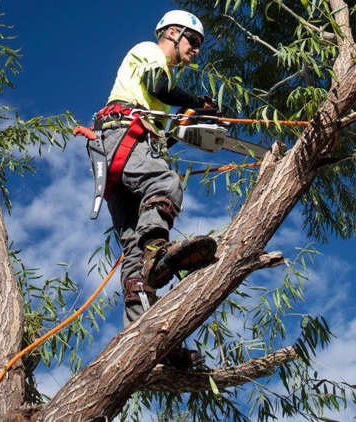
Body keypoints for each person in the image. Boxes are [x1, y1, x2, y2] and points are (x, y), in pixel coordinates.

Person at [90, 10, 217, 369]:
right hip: (121, 134)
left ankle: (143, 339)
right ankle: (156, 252)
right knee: (165, 182)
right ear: (172, 33)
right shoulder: (150, 52)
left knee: (132, 249)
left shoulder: (156, 101)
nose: (195, 50)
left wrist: (189, 120)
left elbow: (158, 142)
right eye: (192, 41)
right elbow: (159, 86)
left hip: (121, 149)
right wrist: (197, 101)